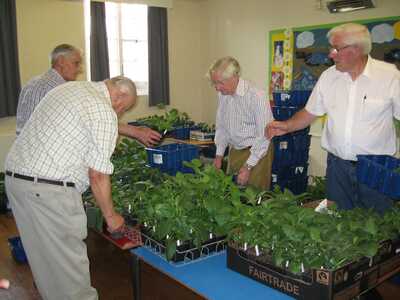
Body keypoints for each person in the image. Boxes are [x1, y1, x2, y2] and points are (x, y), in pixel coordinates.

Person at [5, 76, 137, 300]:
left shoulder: (71, 89)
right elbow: (97, 175)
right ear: (120, 96)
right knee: (71, 275)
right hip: (49, 191)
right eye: (125, 108)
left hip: (17, 181)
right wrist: (111, 216)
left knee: (46, 266)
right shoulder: (102, 111)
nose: (121, 112)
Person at [266, 23, 400, 214]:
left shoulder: (390, 77)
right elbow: (310, 111)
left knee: (376, 226)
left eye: (336, 48)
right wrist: (286, 126)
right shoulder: (329, 77)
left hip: (375, 168)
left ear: (357, 49)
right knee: (338, 222)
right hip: (337, 168)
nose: (331, 54)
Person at [15, 43, 161, 146]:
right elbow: (90, 121)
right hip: (42, 156)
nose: (79, 69)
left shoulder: (35, 82)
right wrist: (135, 132)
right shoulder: (58, 89)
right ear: (61, 62)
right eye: (76, 63)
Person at [207, 56, 274, 190]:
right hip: (236, 150)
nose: (217, 88)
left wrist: (248, 166)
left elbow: (264, 136)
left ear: (234, 76)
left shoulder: (257, 96)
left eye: (220, 83)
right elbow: (222, 127)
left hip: (257, 152)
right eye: (214, 83)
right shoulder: (223, 95)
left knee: (252, 198)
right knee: (233, 195)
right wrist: (219, 156)